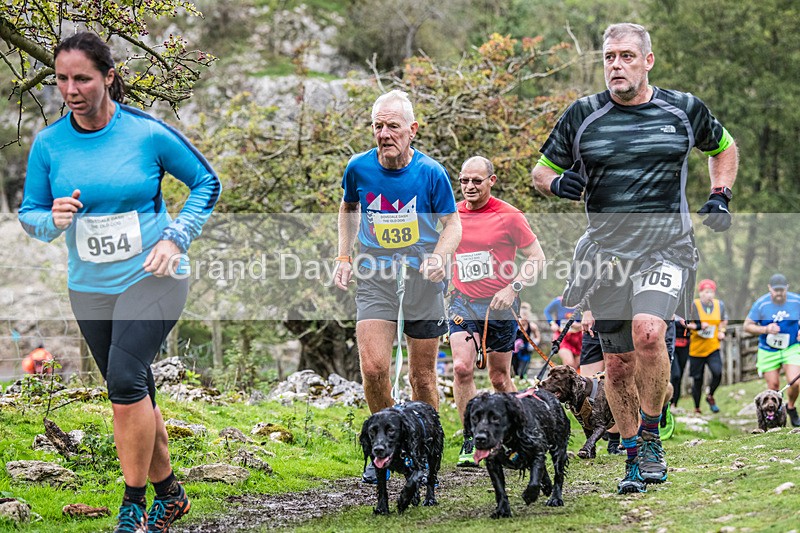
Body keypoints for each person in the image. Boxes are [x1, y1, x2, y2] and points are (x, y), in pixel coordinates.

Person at [18, 32, 220, 532]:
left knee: (125, 380)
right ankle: (170, 493)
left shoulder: (146, 133)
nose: (70, 88)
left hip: (155, 274)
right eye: (62, 79)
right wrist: (54, 219)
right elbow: (30, 214)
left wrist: (175, 237)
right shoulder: (49, 145)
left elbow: (206, 182)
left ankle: (132, 503)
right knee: (137, 388)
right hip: (89, 285)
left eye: (82, 77)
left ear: (108, 77)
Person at [532, 22, 738, 495]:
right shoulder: (582, 115)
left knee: (650, 334)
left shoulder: (683, 110)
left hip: (666, 248)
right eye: (608, 57)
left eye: (626, 56)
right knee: (618, 363)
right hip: (606, 255)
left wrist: (720, 194)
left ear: (647, 61)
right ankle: (629, 454)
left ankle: (649, 436)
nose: (616, 65)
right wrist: (559, 183)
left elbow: (723, 147)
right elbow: (542, 172)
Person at [333, 90, 462, 481]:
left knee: (421, 377)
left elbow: (453, 224)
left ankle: (425, 450)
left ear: (412, 130)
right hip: (376, 277)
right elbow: (348, 207)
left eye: (393, 125)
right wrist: (343, 255)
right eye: (378, 126)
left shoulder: (430, 173)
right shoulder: (358, 168)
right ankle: (384, 450)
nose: (385, 133)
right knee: (373, 368)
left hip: (422, 279)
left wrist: (440, 257)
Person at [446, 156, 545, 467]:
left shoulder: (509, 216)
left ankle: (521, 433)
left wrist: (513, 286)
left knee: (500, 378)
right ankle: (469, 438)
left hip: (500, 303)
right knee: (462, 368)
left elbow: (537, 258)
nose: (469, 187)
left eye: (477, 180)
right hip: (462, 301)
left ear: (492, 180)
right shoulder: (452, 215)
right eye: (464, 181)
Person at [743, 273, 800, 427]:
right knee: (773, 387)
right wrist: (765, 328)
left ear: (787, 288)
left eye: (782, 290)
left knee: (795, 383)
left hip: (791, 346)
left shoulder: (796, 300)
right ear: (770, 289)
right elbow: (747, 326)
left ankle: (791, 407)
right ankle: (773, 420)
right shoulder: (761, 304)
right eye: (776, 290)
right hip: (768, 349)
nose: (779, 293)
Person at [685, 279, 728, 414]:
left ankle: (710, 395)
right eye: (706, 292)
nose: (709, 295)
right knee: (697, 380)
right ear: (700, 292)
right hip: (696, 349)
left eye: (711, 292)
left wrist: (721, 331)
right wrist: (698, 327)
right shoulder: (693, 305)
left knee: (718, 372)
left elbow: (723, 320)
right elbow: (685, 323)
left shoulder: (719, 305)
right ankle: (697, 408)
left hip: (713, 347)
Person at [543, 295, 582, 370]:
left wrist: (580, 325)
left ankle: (573, 381)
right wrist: (552, 323)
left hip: (578, 337)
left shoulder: (583, 301)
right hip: (562, 336)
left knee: (578, 365)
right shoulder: (558, 301)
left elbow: (591, 316)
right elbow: (547, 311)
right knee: (569, 364)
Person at [513, 307, 540, 380]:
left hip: (526, 350)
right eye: (522, 316)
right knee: (515, 368)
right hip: (515, 350)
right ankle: (516, 380)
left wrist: (534, 344)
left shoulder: (532, 326)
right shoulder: (515, 325)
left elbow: (537, 337)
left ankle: (523, 379)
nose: (524, 318)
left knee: (523, 369)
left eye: (526, 316)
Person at [670, 318, 691, 408]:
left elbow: (697, 325)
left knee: (679, 377)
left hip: (684, 347)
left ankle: (675, 402)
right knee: (675, 375)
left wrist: (688, 325)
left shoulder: (689, 310)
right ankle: (669, 401)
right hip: (671, 347)